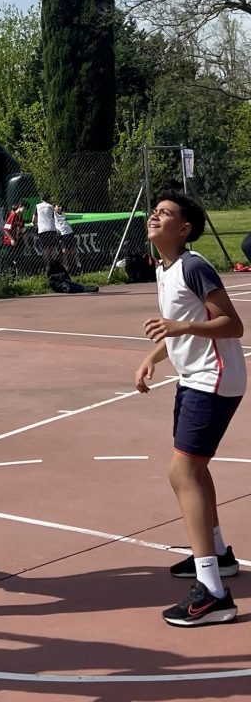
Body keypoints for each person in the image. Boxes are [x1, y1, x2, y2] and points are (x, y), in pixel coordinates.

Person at [134, 192, 245, 627]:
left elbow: (232, 324)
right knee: (195, 470)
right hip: (194, 377)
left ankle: (213, 592)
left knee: (182, 473)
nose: (154, 216)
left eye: (165, 213)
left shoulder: (194, 266)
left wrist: (181, 326)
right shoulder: (164, 268)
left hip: (213, 379)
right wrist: (153, 356)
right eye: (154, 211)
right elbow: (178, 327)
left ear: (183, 229)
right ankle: (218, 555)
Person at [32, 193, 57, 264]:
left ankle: (47, 265)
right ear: (48, 199)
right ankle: (53, 264)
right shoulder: (51, 206)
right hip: (51, 228)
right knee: (52, 248)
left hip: (42, 229)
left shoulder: (37, 206)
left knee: (45, 248)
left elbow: (33, 220)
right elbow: (54, 217)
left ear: (41, 199)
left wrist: (35, 225)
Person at [53, 203, 78, 271]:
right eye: (58, 206)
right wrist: (56, 230)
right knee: (64, 251)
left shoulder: (63, 213)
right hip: (62, 234)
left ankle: (75, 266)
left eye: (60, 206)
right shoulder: (53, 214)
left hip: (70, 233)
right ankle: (66, 267)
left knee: (73, 250)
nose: (60, 207)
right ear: (54, 208)